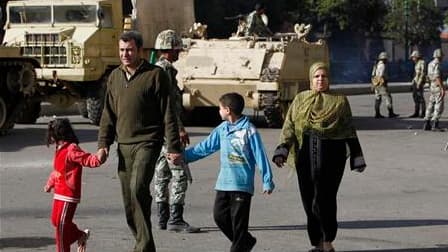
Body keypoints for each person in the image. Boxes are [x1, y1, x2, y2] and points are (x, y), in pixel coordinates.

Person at [97, 30, 182, 252]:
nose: (125, 54)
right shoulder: (115, 76)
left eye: (130, 50)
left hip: (147, 142)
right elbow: (108, 114)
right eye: (122, 50)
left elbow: (168, 113)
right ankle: (145, 244)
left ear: (140, 51)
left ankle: (142, 248)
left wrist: (173, 146)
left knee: (137, 188)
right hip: (123, 145)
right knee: (129, 202)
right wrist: (103, 145)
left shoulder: (155, 75)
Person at [272, 62, 366, 252]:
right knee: (308, 200)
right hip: (304, 158)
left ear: (329, 79)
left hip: (333, 159)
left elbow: (348, 129)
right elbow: (289, 126)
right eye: (316, 76)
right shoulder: (300, 99)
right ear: (310, 79)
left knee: (324, 200)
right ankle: (317, 243)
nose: (320, 79)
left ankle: (328, 241)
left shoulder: (339, 101)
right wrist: (282, 149)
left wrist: (357, 156)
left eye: (324, 76)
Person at [184, 92, 275, 252]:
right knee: (219, 217)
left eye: (219, 108)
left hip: (242, 185)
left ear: (227, 110)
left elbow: (260, 155)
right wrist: (185, 157)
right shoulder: (222, 129)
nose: (218, 111)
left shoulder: (249, 130)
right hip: (223, 183)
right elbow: (205, 147)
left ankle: (240, 244)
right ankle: (245, 241)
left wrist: (267, 179)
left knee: (239, 225)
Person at [152, 29, 199, 233]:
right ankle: (175, 219)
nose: (180, 51)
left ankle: (162, 218)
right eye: (177, 48)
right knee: (179, 174)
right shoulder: (165, 71)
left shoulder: (154, 69)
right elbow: (168, 105)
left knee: (161, 173)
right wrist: (178, 128)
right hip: (168, 132)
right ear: (170, 49)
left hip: (157, 132)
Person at [44, 118, 105, 252]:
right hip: (59, 192)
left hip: (68, 194)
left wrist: (98, 158)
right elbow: (58, 170)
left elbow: (86, 158)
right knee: (56, 221)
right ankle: (79, 235)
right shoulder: (59, 147)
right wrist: (50, 183)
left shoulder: (71, 149)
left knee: (61, 227)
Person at [371, 51, 399, 118]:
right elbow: (380, 76)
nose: (387, 60)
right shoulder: (382, 65)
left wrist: (373, 84)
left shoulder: (376, 65)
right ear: (384, 59)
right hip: (381, 83)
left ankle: (377, 114)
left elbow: (373, 75)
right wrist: (382, 84)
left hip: (375, 82)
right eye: (386, 59)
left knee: (378, 98)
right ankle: (390, 113)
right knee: (388, 97)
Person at [423, 48, 445, 131]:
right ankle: (435, 124)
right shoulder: (437, 64)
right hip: (437, 86)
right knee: (439, 105)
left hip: (432, 86)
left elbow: (428, 76)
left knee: (430, 104)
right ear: (439, 56)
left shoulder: (430, 64)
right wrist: (442, 88)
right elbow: (437, 77)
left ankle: (426, 123)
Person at [409, 50, 426, 118]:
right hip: (415, 82)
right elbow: (415, 74)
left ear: (417, 57)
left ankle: (423, 113)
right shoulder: (416, 63)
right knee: (415, 97)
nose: (412, 59)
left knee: (420, 98)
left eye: (413, 57)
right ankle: (416, 112)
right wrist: (413, 83)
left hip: (419, 82)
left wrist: (419, 83)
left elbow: (422, 73)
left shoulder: (422, 62)